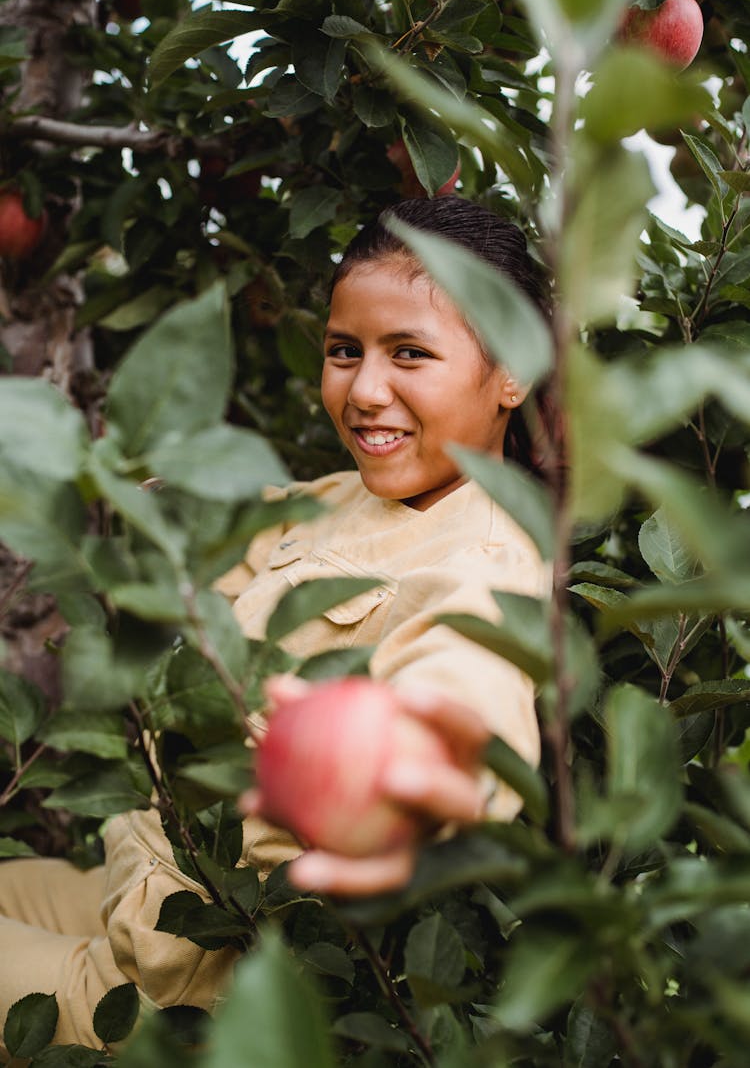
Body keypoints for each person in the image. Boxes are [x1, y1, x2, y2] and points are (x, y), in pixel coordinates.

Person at [0, 196, 554, 1056]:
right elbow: (216, 514)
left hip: (176, 977)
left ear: (512, 371)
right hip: (138, 882)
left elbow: (469, 686)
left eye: (410, 352)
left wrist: (431, 766)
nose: (365, 390)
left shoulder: (488, 556)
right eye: (345, 351)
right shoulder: (351, 497)